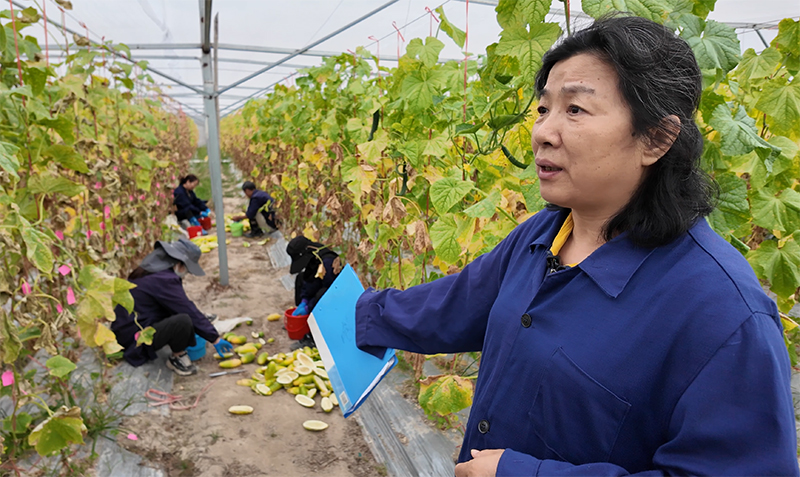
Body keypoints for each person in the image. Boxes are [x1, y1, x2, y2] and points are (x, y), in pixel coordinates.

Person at [354, 16, 798, 477]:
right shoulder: (542, 234)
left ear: (657, 139)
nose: (543, 132)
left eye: (575, 110)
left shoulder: (724, 316)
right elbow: (456, 304)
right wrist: (354, 311)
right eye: (544, 109)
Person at [111, 238, 233, 376]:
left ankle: (192, 330)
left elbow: (179, 303)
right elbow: (186, 309)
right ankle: (177, 357)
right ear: (179, 263)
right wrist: (215, 338)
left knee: (184, 313)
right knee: (183, 321)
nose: (186, 273)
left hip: (125, 328)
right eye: (187, 269)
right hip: (135, 339)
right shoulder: (164, 279)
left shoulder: (152, 268)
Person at [286, 235, 341, 348]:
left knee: (321, 294)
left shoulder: (327, 261)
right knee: (300, 278)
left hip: (335, 299)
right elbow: (310, 279)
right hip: (321, 288)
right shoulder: (314, 256)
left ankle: (313, 337)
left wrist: (309, 306)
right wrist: (304, 300)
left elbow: (330, 292)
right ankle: (302, 319)